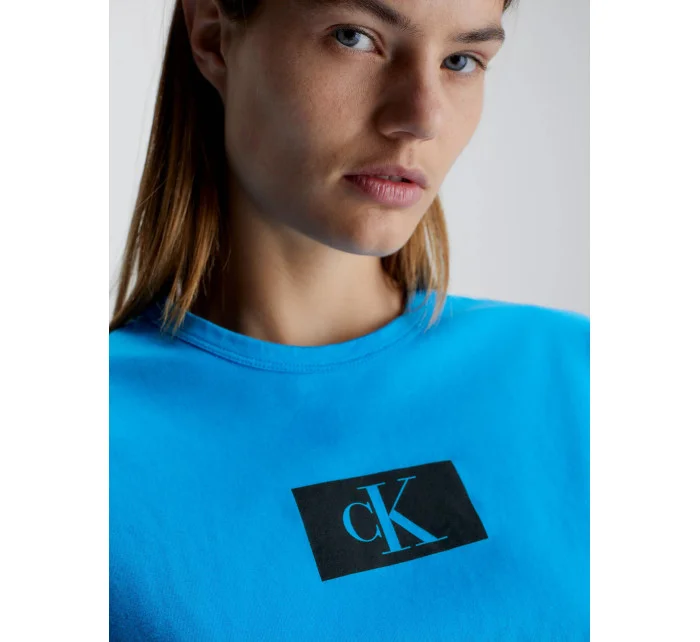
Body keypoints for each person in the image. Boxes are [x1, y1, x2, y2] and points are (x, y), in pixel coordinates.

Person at [109, 0, 589, 639]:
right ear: (214, 36)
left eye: (460, 61)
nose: (422, 117)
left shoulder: (581, 377)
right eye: (354, 38)